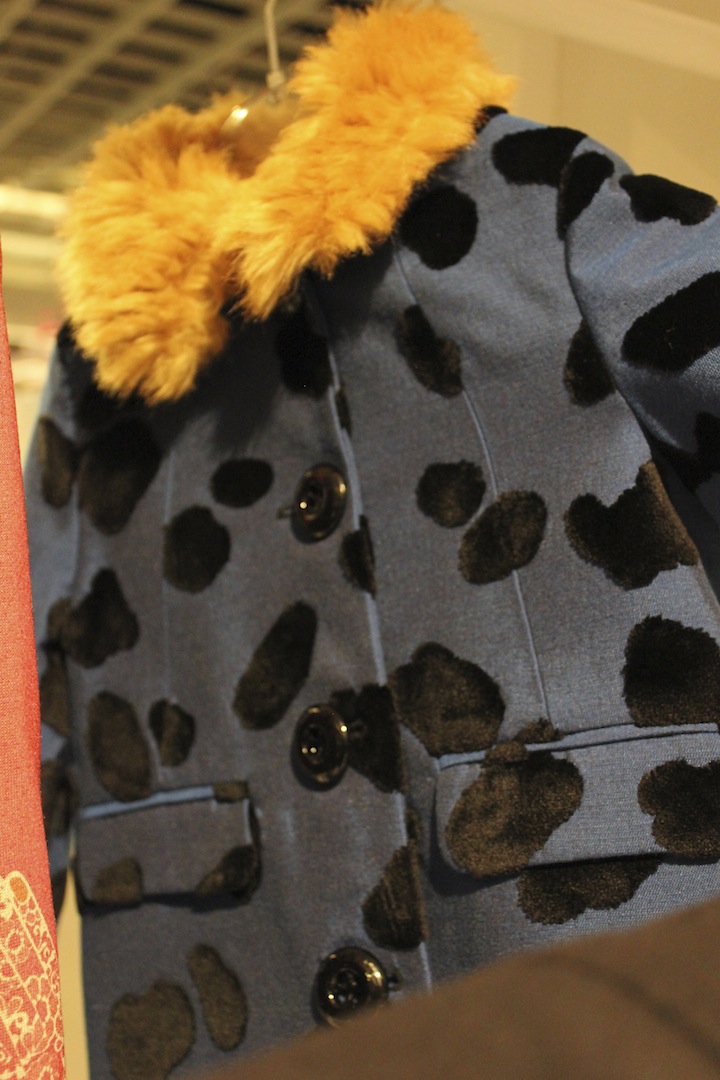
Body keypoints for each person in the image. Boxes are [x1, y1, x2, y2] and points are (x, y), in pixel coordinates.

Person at [25, 3, 720, 1077]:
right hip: (224, 986)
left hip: (578, 957)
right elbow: (19, 713)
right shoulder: (103, 364)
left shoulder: (539, 201)